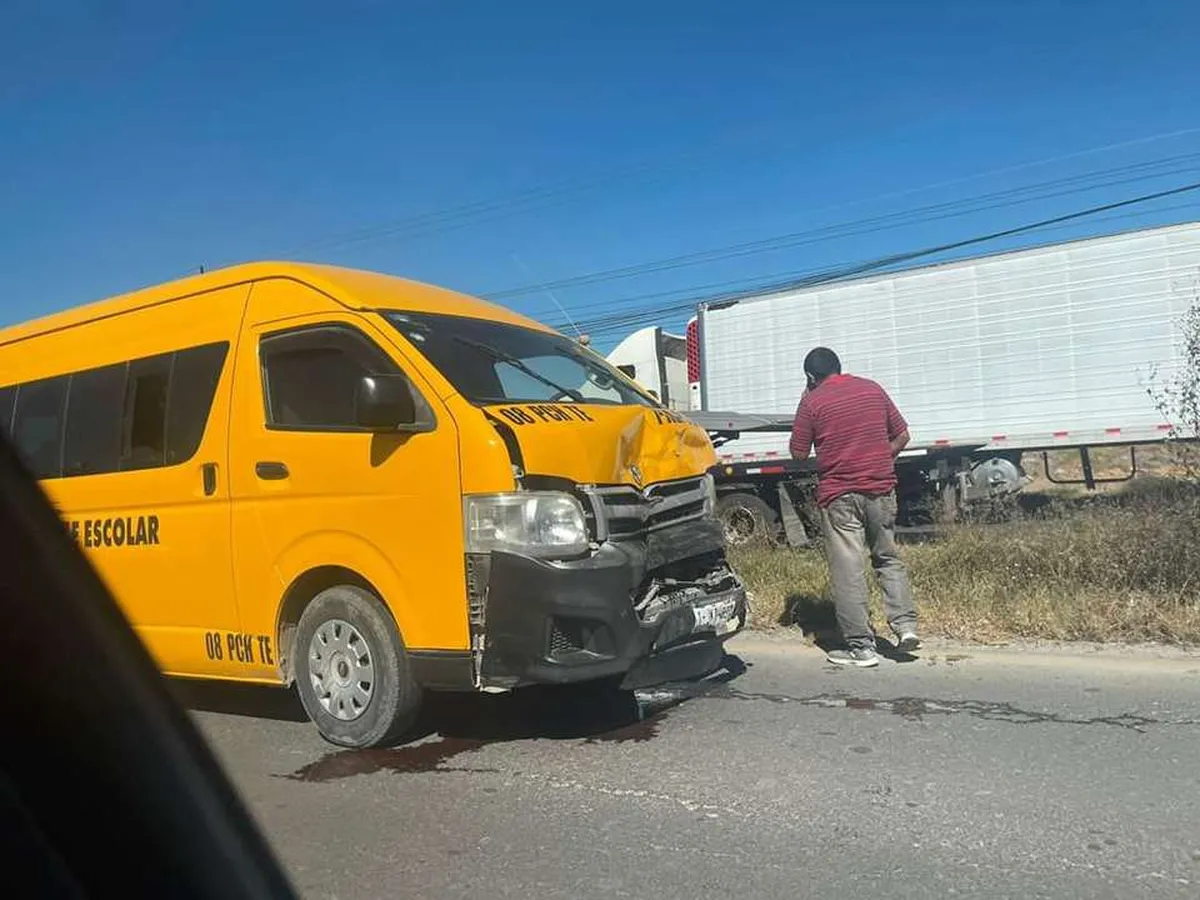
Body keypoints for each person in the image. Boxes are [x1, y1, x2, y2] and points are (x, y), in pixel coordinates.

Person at [789, 347, 918, 667]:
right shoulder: (871, 389)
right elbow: (903, 436)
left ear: (810, 376)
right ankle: (905, 627)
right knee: (887, 557)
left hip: (840, 497)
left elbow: (798, 453)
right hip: (881, 489)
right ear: (839, 366)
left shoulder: (812, 402)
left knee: (848, 570)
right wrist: (881, 459)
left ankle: (862, 647)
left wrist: (806, 399)